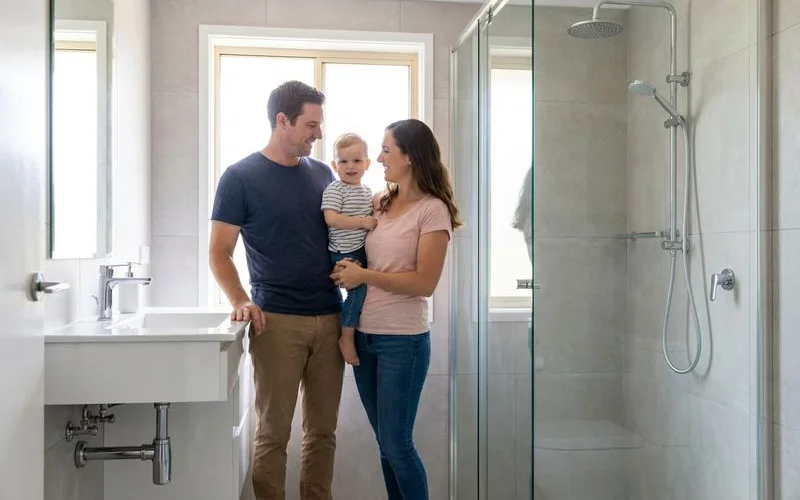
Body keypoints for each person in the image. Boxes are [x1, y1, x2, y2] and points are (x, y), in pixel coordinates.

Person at [208, 80, 343, 500]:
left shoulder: (323, 173)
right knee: (273, 433)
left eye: (319, 126)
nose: (318, 134)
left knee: (322, 433)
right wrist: (241, 301)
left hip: (330, 318)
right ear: (282, 120)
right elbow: (219, 253)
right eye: (311, 124)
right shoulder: (240, 177)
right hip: (277, 322)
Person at [330, 119, 462, 500]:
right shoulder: (380, 202)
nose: (380, 157)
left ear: (409, 157)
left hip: (402, 342)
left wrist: (362, 275)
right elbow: (349, 242)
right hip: (366, 336)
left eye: (387, 150)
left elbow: (425, 283)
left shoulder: (432, 211)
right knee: (385, 445)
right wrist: (344, 270)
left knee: (398, 444)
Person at [321, 132, 376, 366]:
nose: (350, 166)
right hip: (344, 251)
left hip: (360, 251)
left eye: (356, 161)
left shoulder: (367, 191)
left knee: (368, 288)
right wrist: (362, 222)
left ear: (367, 164)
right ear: (334, 165)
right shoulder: (336, 189)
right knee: (358, 290)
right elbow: (331, 219)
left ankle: (354, 327)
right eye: (343, 161)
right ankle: (346, 336)